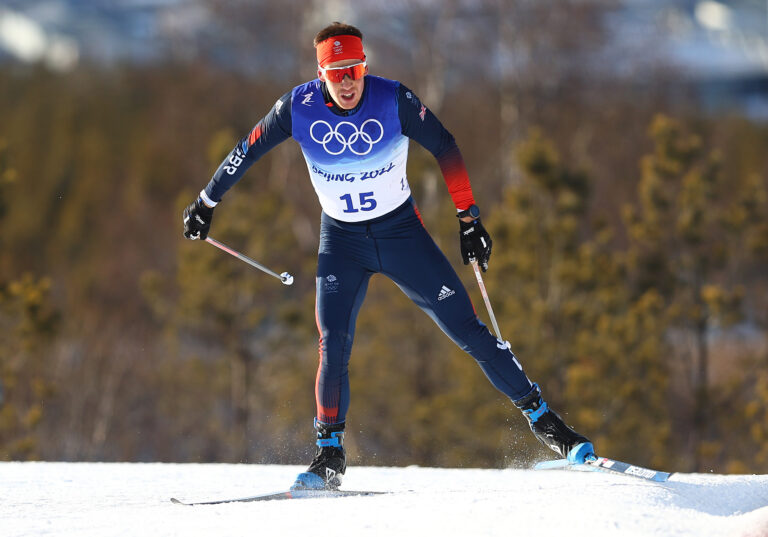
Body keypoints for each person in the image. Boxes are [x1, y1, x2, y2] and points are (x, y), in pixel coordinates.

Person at [183, 22, 593, 490]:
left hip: (402, 235)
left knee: (468, 330)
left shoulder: (393, 99)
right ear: (321, 75)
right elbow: (246, 150)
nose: (347, 81)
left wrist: (469, 219)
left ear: (365, 66)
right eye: (336, 72)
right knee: (332, 342)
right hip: (341, 243)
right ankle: (329, 455)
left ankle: (549, 425)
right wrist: (205, 202)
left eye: (354, 69)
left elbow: (446, 146)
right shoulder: (295, 108)